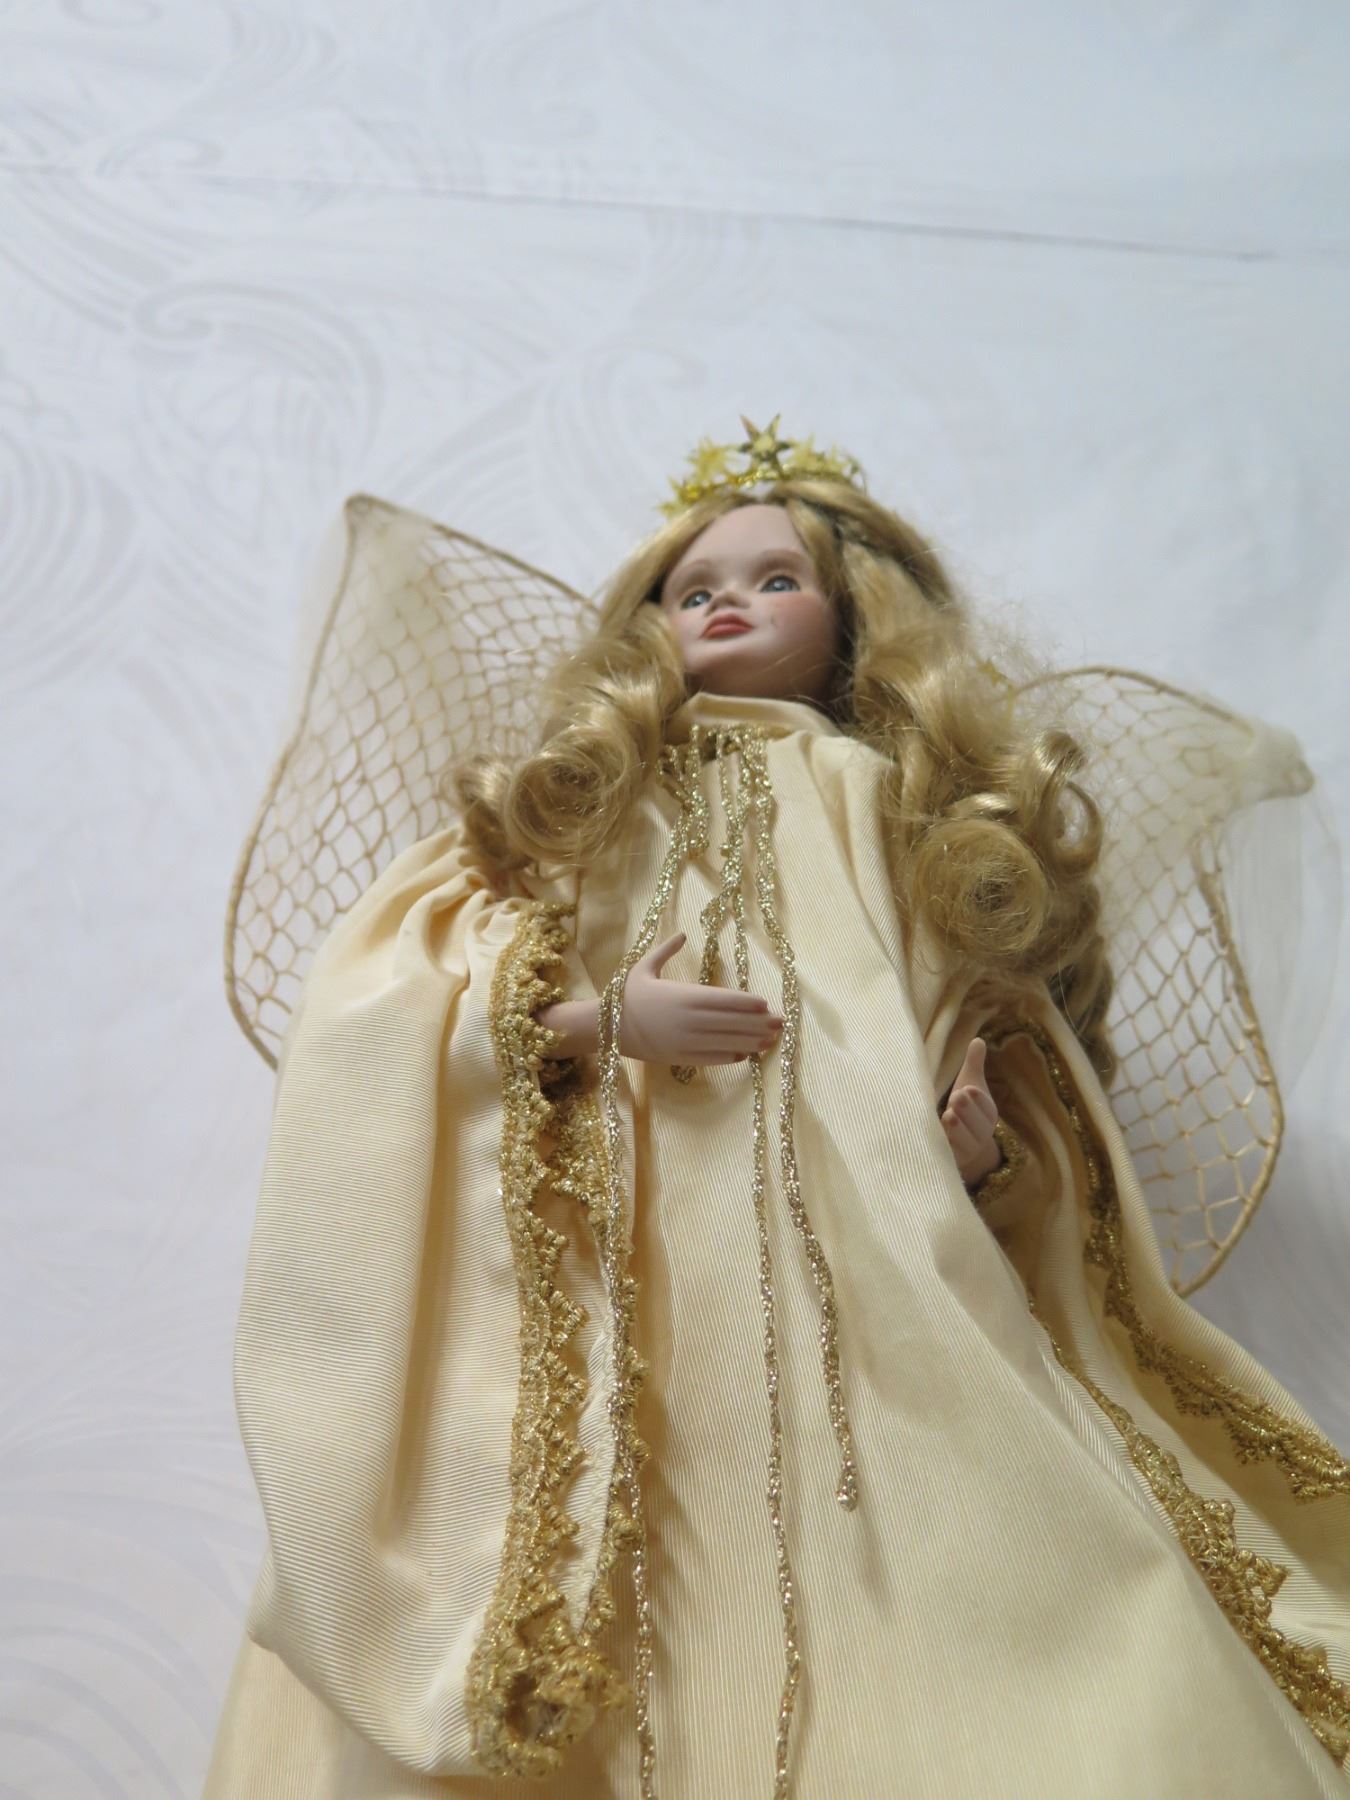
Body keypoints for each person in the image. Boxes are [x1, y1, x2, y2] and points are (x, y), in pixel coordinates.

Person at [203, 418, 1350, 1798]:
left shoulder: (894, 807)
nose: (727, 604)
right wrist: (600, 1020)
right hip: (638, 1264)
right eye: (692, 589)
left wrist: (984, 1152)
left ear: (857, 621)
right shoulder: (585, 806)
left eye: (773, 580)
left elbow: (992, 1045)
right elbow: (392, 1004)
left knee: (995, 1554)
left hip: (880, 1272)